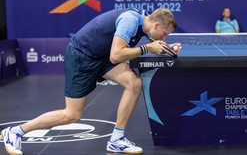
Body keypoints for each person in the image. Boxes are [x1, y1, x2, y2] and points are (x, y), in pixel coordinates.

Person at [1, 8, 180, 154]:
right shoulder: (130, 21)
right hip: (82, 57)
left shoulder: (145, 23)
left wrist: (167, 48)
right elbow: (117, 54)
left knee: (134, 83)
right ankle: (15, 132)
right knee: (72, 115)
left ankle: (116, 139)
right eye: (164, 34)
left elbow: (147, 44)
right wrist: (147, 48)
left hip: (100, 56)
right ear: (157, 24)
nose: (164, 38)